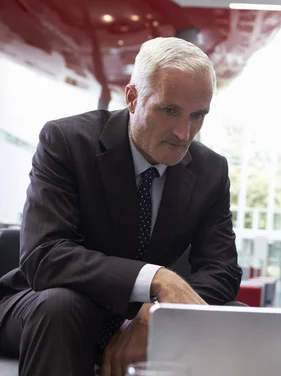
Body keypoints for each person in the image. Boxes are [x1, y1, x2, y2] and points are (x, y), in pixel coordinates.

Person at [0, 37, 242, 375]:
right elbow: (45, 255)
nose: (184, 133)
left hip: (135, 312)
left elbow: (222, 270)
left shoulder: (210, 170)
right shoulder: (66, 141)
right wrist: (154, 280)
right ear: (132, 98)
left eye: (198, 115)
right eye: (169, 110)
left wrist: (158, 312)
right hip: (42, 302)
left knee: (235, 315)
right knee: (62, 306)